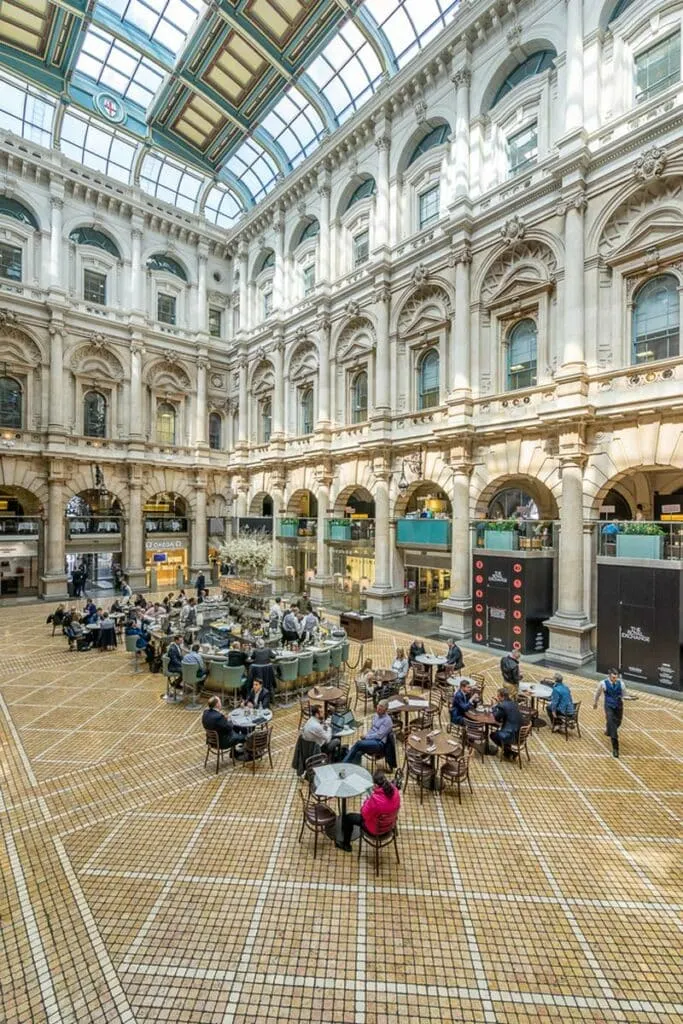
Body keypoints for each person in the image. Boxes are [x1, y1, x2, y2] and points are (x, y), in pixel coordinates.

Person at [337, 770, 400, 853]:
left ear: (376, 785)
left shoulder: (375, 800)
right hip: (389, 825)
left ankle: (346, 845)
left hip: (375, 830)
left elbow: (364, 814)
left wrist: (367, 800)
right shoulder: (395, 791)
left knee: (348, 818)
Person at [593, 669, 626, 758]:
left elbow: (624, 695)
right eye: (613, 677)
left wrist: (626, 699)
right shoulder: (603, 683)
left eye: (616, 677)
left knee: (618, 722)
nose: (615, 679)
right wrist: (595, 702)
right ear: (609, 676)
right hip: (609, 705)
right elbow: (597, 693)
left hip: (619, 706)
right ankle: (615, 748)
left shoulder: (621, 684)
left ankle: (609, 729)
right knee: (612, 725)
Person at [490, 688, 523, 760]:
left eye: (498, 696)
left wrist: (494, 706)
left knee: (493, 735)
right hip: (520, 733)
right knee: (499, 730)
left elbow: (496, 717)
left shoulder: (502, 706)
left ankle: (509, 752)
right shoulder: (514, 703)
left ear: (502, 697)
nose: (497, 697)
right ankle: (508, 752)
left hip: (511, 734)